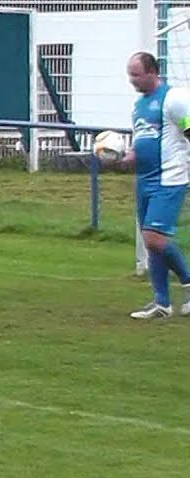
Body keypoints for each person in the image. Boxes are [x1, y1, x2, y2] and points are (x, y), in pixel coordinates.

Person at [121, 52, 190, 319]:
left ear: (152, 72)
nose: (131, 80)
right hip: (144, 179)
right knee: (152, 243)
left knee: (154, 237)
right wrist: (127, 156)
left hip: (169, 178)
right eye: (130, 74)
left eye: (136, 74)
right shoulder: (139, 106)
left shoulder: (174, 99)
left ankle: (187, 280)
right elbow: (144, 140)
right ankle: (161, 302)